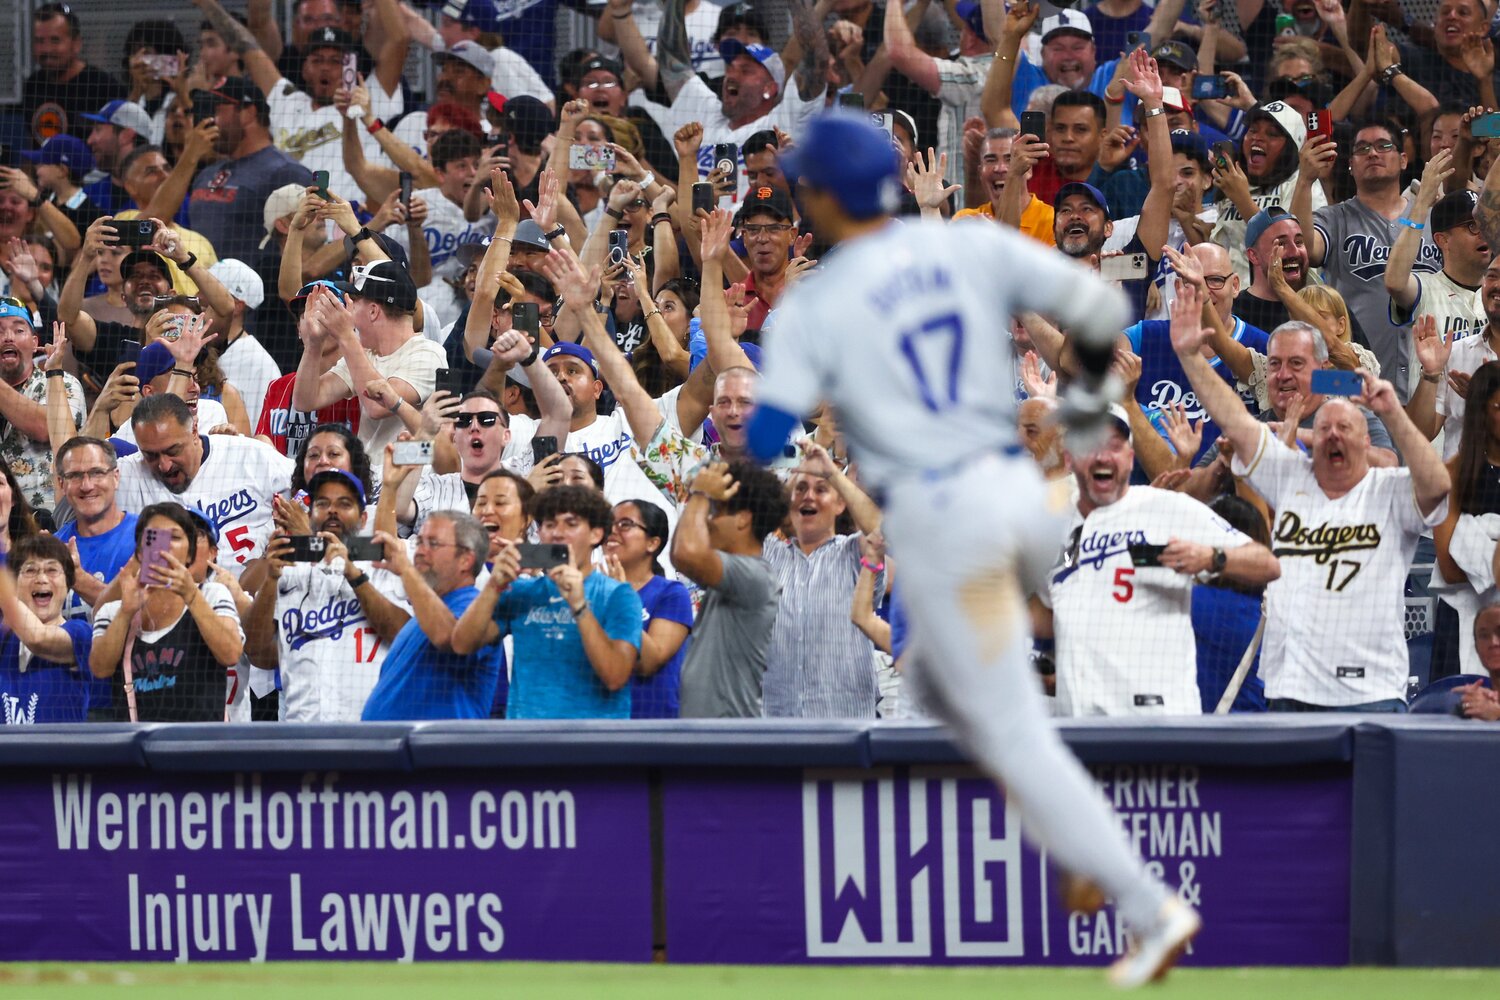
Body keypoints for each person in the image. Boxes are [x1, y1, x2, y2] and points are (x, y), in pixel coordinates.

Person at [746, 112, 1200, 986]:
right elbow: (1104, 306)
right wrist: (1076, 418)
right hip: (1025, 495)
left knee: (1009, 727)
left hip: (949, 522)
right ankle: (1065, 825)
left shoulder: (820, 299)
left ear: (830, 195)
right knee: (928, 680)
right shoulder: (970, 246)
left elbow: (766, 429)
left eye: (807, 184)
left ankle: (1146, 903)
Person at [1171, 281, 1451, 712]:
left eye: (1345, 429)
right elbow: (1233, 419)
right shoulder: (1290, 475)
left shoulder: (1388, 490)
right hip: (1291, 689)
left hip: (1371, 693)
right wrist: (1191, 357)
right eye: (1325, 431)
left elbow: (1435, 484)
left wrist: (1391, 410)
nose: (1333, 436)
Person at [1042, 404, 1279, 716]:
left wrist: (1209, 556)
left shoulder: (1165, 512)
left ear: (1129, 457)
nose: (1102, 456)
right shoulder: (1052, 527)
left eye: (1114, 446)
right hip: (1078, 728)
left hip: (1153, 727)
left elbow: (1267, 564)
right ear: (1070, 457)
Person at [453, 485, 642, 719]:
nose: (557, 533)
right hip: (528, 745)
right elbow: (462, 645)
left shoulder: (619, 595)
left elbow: (615, 676)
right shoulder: (522, 591)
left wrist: (579, 605)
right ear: (540, 534)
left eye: (571, 524)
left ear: (596, 534)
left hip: (595, 746)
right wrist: (494, 586)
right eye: (549, 525)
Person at [608, 0, 827, 197]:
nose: (732, 74)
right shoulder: (704, 111)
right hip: (697, 234)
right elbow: (673, 60)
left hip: (758, 232)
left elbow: (816, 57)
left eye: (746, 70)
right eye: (731, 66)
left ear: (769, 88)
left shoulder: (784, 120)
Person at [245, 469, 411, 722]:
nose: (332, 510)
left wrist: (352, 573)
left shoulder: (383, 566)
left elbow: (403, 638)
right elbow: (258, 654)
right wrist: (270, 580)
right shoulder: (287, 573)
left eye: (344, 503)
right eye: (323, 503)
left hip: (371, 735)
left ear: (364, 518)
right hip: (302, 739)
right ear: (310, 516)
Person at [1298, 120, 1441, 401]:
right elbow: (1305, 250)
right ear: (1350, 165)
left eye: (1383, 146)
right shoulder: (1335, 218)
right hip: (1356, 381)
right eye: (1362, 149)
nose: (1373, 153)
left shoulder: (1433, 216)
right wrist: (1305, 181)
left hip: (1429, 377)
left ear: (1403, 160)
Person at [89, 501, 245, 722]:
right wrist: (126, 612)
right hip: (137, 749)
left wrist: (191, 595)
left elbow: (231, 654)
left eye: (175, 537)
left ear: (190, 552)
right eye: (155, 537)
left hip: (205, 747)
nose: (165, 547)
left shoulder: (212, 595)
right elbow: (100, 669)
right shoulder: (113, 610)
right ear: (140, 552)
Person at [763, 442, 888, 718]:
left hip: (846, 730)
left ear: (840, 504)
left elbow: (881, 531)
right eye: (800, 489)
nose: (809, 497)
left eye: (821, 490)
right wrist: (793, 481)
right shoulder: (767, 554)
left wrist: (831, 472)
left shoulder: (855, 554)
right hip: (777, 729)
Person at [115, 393, 294, 575]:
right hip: (170, 596)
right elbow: (87, 464)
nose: (164, 465)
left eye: (172, 451)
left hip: (251, 594)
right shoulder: (128, 474)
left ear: (194, 431)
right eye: (151, 455)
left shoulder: (251, 456)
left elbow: (311, 487)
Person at [291, 262, 446, 465]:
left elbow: (377, 407)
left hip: (411, 481)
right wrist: (314, 344)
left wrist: (346, 336)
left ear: (373, 311)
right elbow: (306, 401)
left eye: (355, 300)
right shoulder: (366, 354)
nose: (349, 309)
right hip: (370, 479)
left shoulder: (428, 354)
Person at [360, 510, 505, 720]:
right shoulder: (423, 614)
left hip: (441, 748)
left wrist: (406, 570)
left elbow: (449, 637)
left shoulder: (476, 608)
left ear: (465, 560)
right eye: (419, 542)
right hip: (397, 747)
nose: (419, 551)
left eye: (433, 543)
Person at [671, 460, 786, 718]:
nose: (709, 520)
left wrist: (701, 494)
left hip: (730, 740)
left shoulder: (756, 576)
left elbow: (686, 552)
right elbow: (682, 553)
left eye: (717, 510)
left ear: (743, 519)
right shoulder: (730, 576)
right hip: (713, 738)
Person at [188, 76, 316, 263]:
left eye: (216, 110)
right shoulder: (206, 174)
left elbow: (306, 248)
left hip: (255, 289)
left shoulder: (286, 173)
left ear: (248, 113)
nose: (208, 120)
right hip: (199, 287)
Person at [604, 499, 692, 720]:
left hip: (653, 724)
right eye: (609, 523)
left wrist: (621, 596)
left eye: (625, 524)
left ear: (652, 543)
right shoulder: (591, 589)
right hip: (601, 719)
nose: (612, 531)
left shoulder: (671, 593)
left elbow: (650, 661)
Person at [0, 533, 96, 724]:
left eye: (52, 570)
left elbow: (38, 638)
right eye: (30, 570)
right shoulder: (5, 641)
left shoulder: (81, 633)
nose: (41, 578)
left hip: (60, 754)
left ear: (68, 583)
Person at [0, 303, 84, 511]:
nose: (8, 337)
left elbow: (48, 429)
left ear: (34, 343)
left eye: (19, 330)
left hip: (50, 521)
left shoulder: (61, 383)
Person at [52, 437, 138, 617]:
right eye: (75, 476)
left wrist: (77, 578)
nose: (86, 485)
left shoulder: (148, 539)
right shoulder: (54, 549)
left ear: (115, 477)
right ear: (62, 484)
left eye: (97, 473)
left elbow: (155, 619)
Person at [23, 3, 124, 144]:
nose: (46, 49)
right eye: (39, 41)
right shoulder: (32, 85)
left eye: (55, 40)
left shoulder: (104, 87)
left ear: (76, 44)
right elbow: (32, 143)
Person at [206, 259, 280, 431]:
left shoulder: (260, 364)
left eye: (209, 293)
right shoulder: (196, 349)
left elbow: (261, 433)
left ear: (237, 306)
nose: (199, 294)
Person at [952, 127, 1055, 245]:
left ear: (1029, 171)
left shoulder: (1052, 221)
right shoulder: (966, 219)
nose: (1000, 168)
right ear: (980, 172)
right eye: (991, 160)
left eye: (1010, 159)